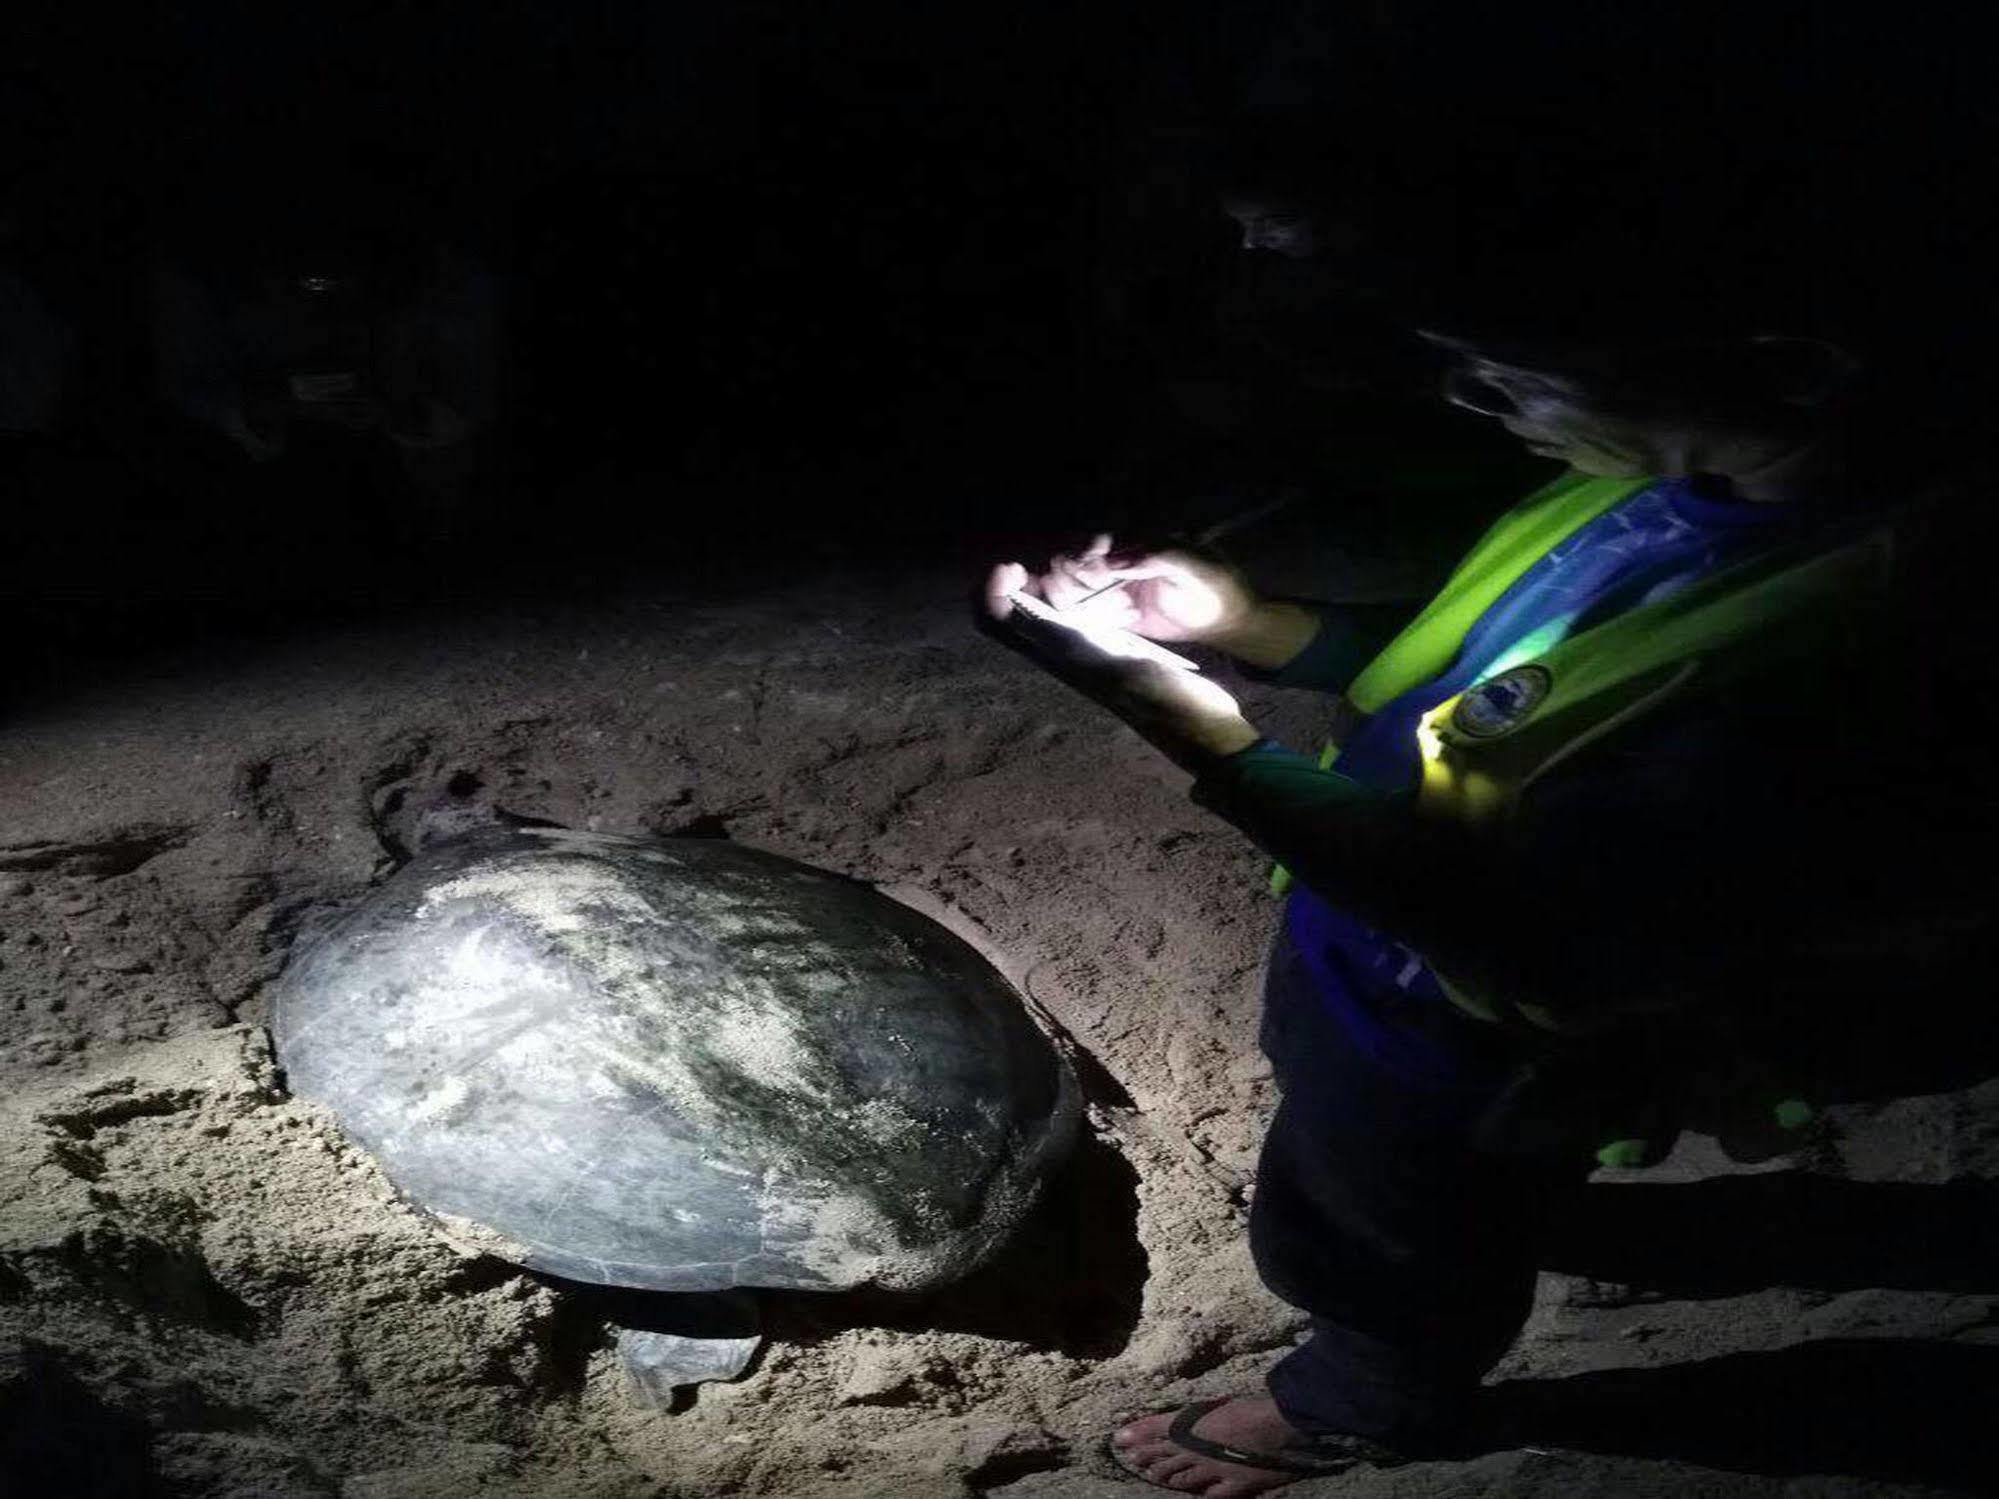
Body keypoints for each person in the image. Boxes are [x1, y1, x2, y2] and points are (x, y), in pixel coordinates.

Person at [979, 270, 1996, 1493]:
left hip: (1464, 1015)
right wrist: (1257, 626)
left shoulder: (1856, 665)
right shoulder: (1673, 482)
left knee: (1359, 1218)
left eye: (1516, 369)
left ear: (1790, 362)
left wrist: (1211, 742)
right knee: (1450, 1169)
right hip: (1377, 942)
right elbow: (1502, 673)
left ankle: (1363, 1392)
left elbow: (1535, 942)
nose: (1466, 391)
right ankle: (1521, 1221)